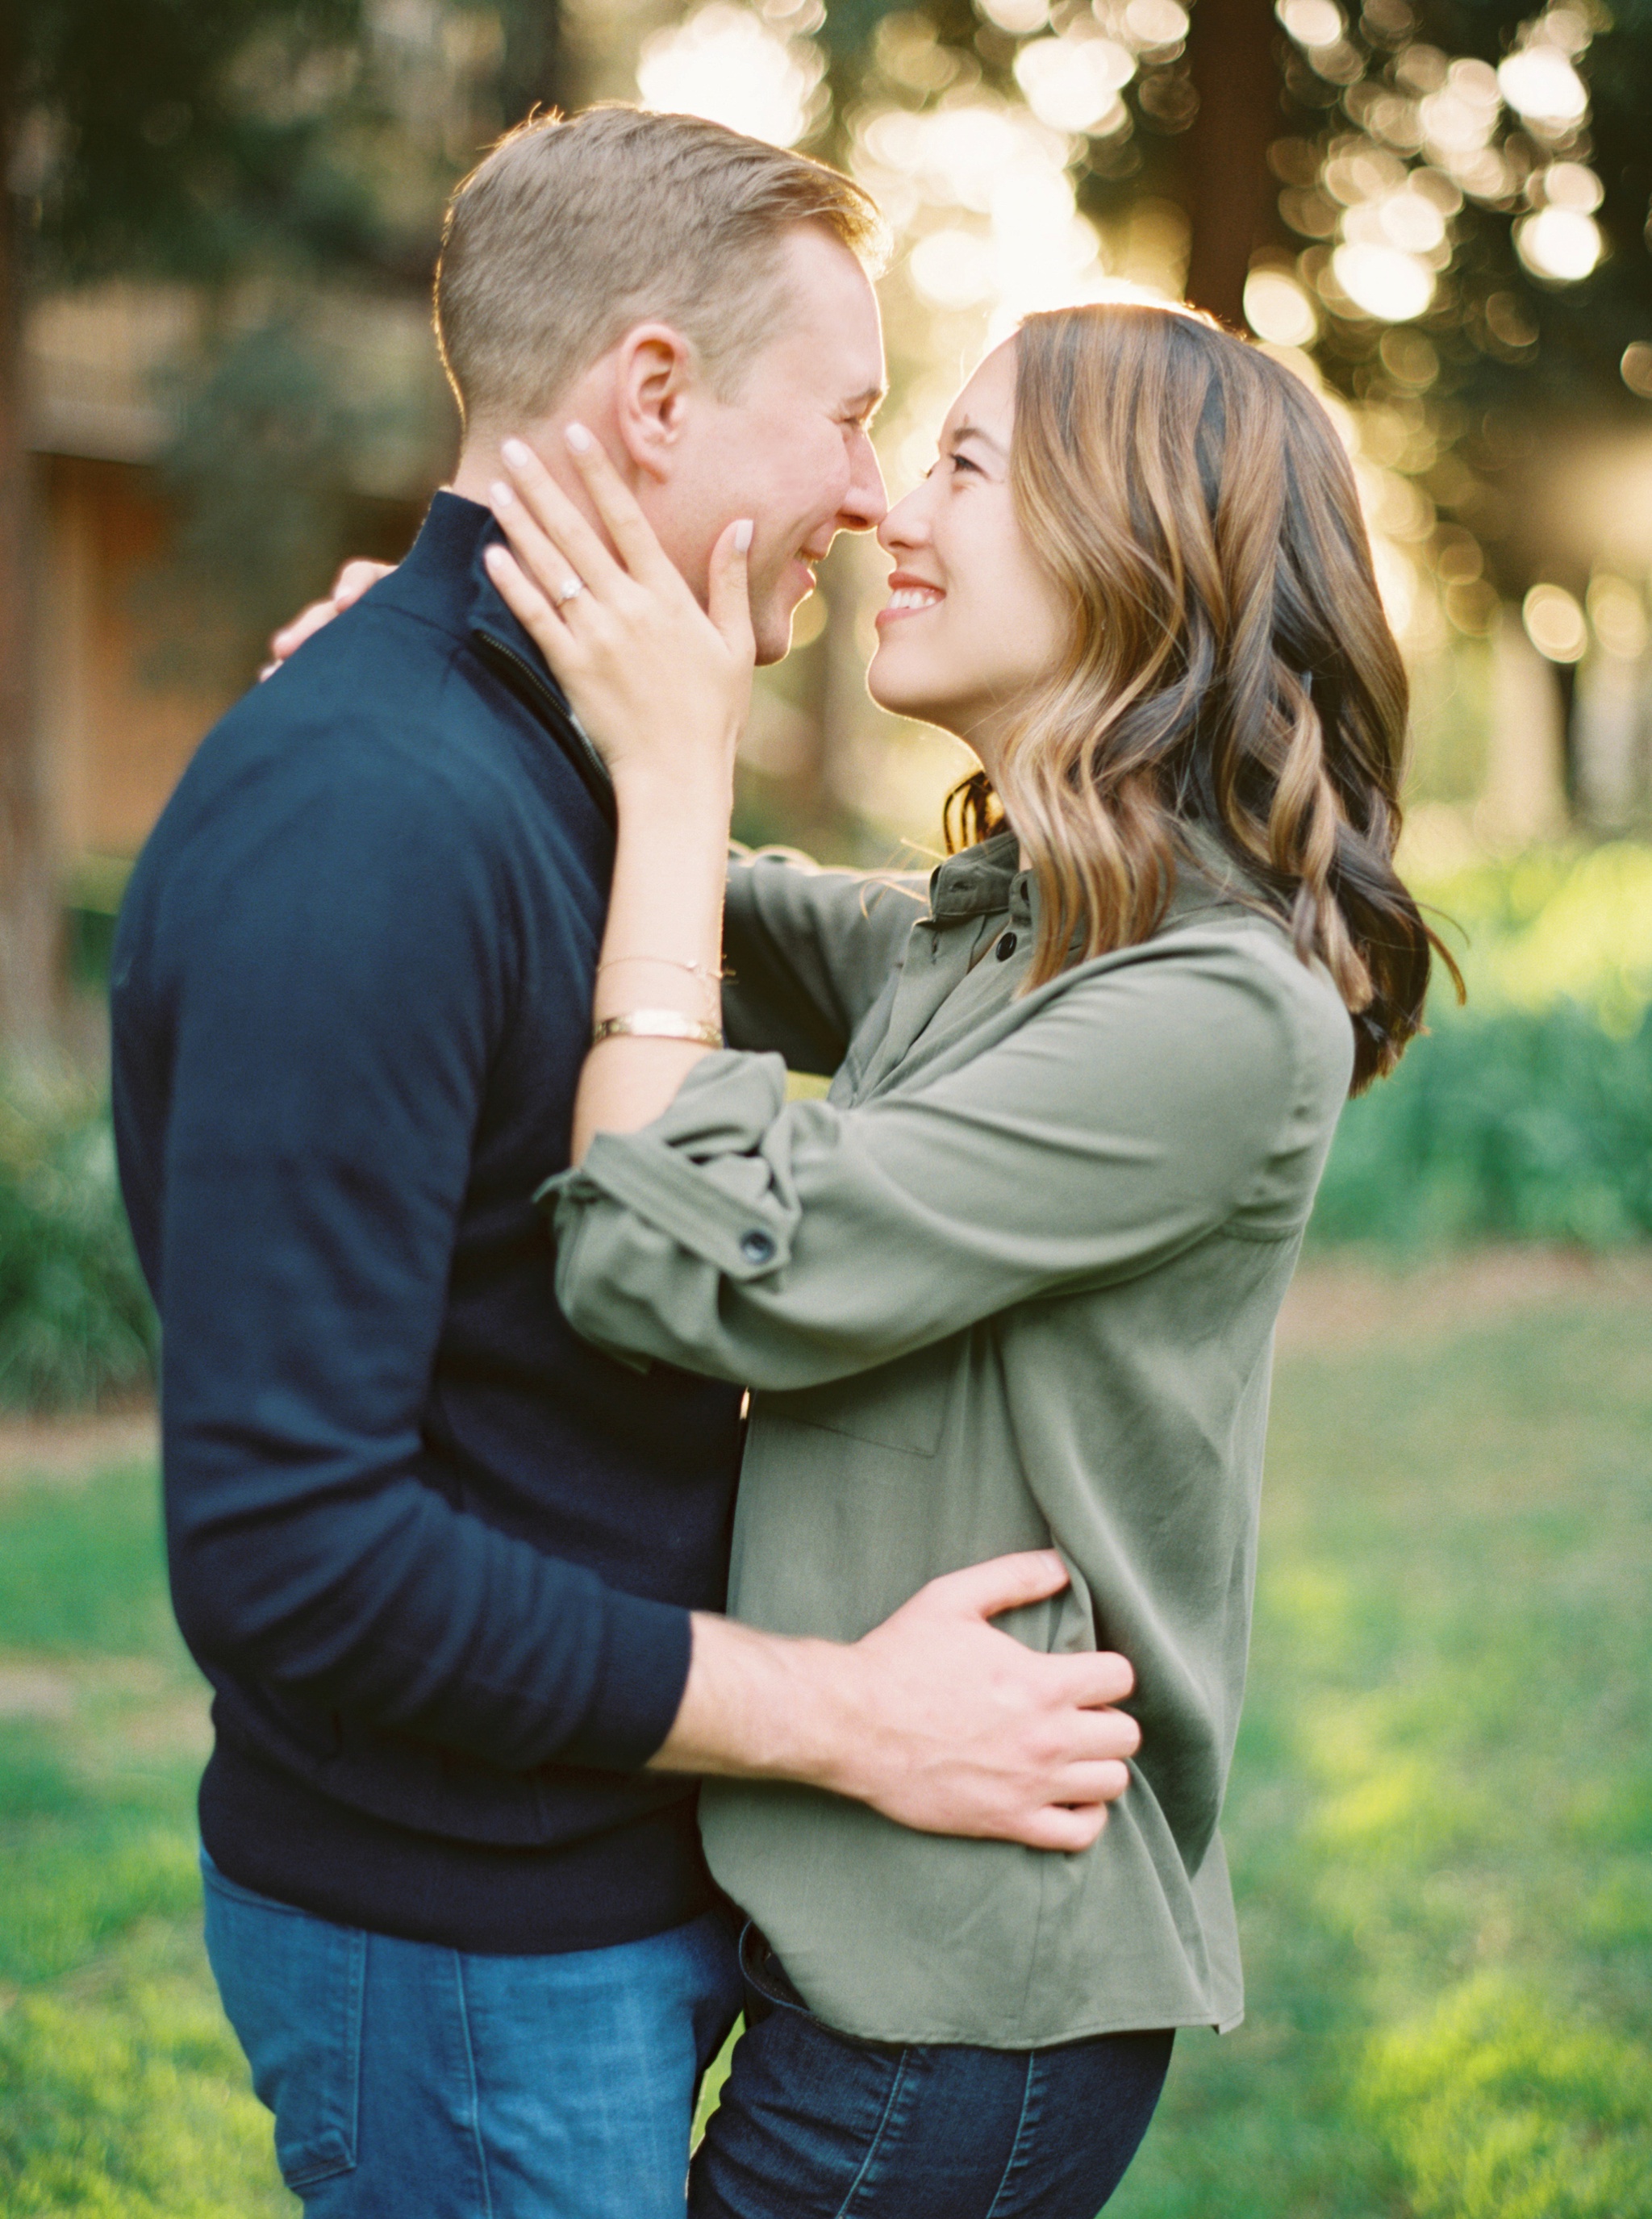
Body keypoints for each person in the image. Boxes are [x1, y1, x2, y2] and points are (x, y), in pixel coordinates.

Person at [109, 110, 1142, 2219]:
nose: (872, 496)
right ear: (654, 397)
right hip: (459, 1944)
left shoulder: (556, 765)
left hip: (600, 1887)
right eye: (846, 419)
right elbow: (289, 1551)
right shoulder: (375, 817)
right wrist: (845, 1716)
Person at [461, 298, 1450, 2215]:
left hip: (962, 2002)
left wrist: (679, 779)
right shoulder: (1013, 931)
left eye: (965, 464)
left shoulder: (1215, 1012)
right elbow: (674, 907)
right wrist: (458, 678)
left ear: (1135, 541)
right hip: (857, 1917)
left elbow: (689, 1261)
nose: (892, 512)